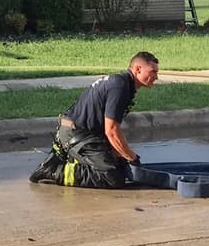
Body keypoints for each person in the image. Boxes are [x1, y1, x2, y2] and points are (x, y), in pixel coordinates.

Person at [29, 51, 160, 188]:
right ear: (138, 69)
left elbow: (107, 129)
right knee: (111, 177)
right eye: (153, 71)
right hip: (77, 134)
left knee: (120, 165)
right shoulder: (120, 86)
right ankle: (53, 171)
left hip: (82, 133)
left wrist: (120, 155)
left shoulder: (122, 83)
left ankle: (71, 160)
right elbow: (112, 131)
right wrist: (130, 156)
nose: (156, 77)